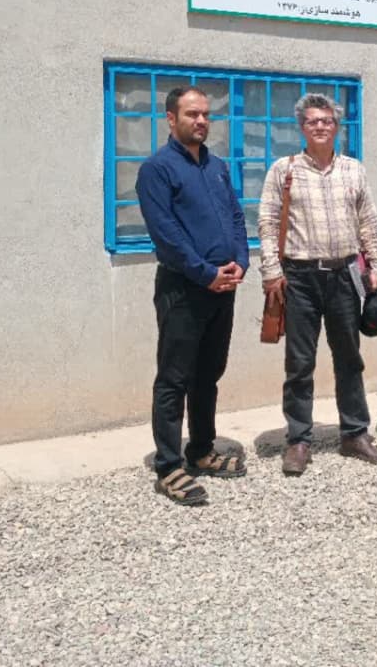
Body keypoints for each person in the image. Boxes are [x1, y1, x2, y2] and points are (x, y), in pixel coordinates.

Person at [258, 93, 377, 477]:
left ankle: (355, 433)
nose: (320, 126)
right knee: (300, 363)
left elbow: (368, 221)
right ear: (302, 127)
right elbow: (267, 222)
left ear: (337, 127)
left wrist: (376, 265)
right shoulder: (284, 170)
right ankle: (299, 439)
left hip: (344, 276)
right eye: (313, 121)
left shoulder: (353, 170)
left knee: (349, 358)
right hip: (299, 278)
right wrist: (271, 271)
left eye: (327, 120)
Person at [136, 86, 250, 506]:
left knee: (208, 374)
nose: (201, 121)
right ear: (171, 118)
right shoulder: (157, 170)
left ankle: (201, 450)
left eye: (205, 114)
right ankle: (169, 466)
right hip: (184, 289)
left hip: (223, 287)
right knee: (174, 378)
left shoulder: (217, 167)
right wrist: (206, 274)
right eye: (191, 114)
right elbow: (166, 234)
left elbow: (235, 217)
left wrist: (241, 261)